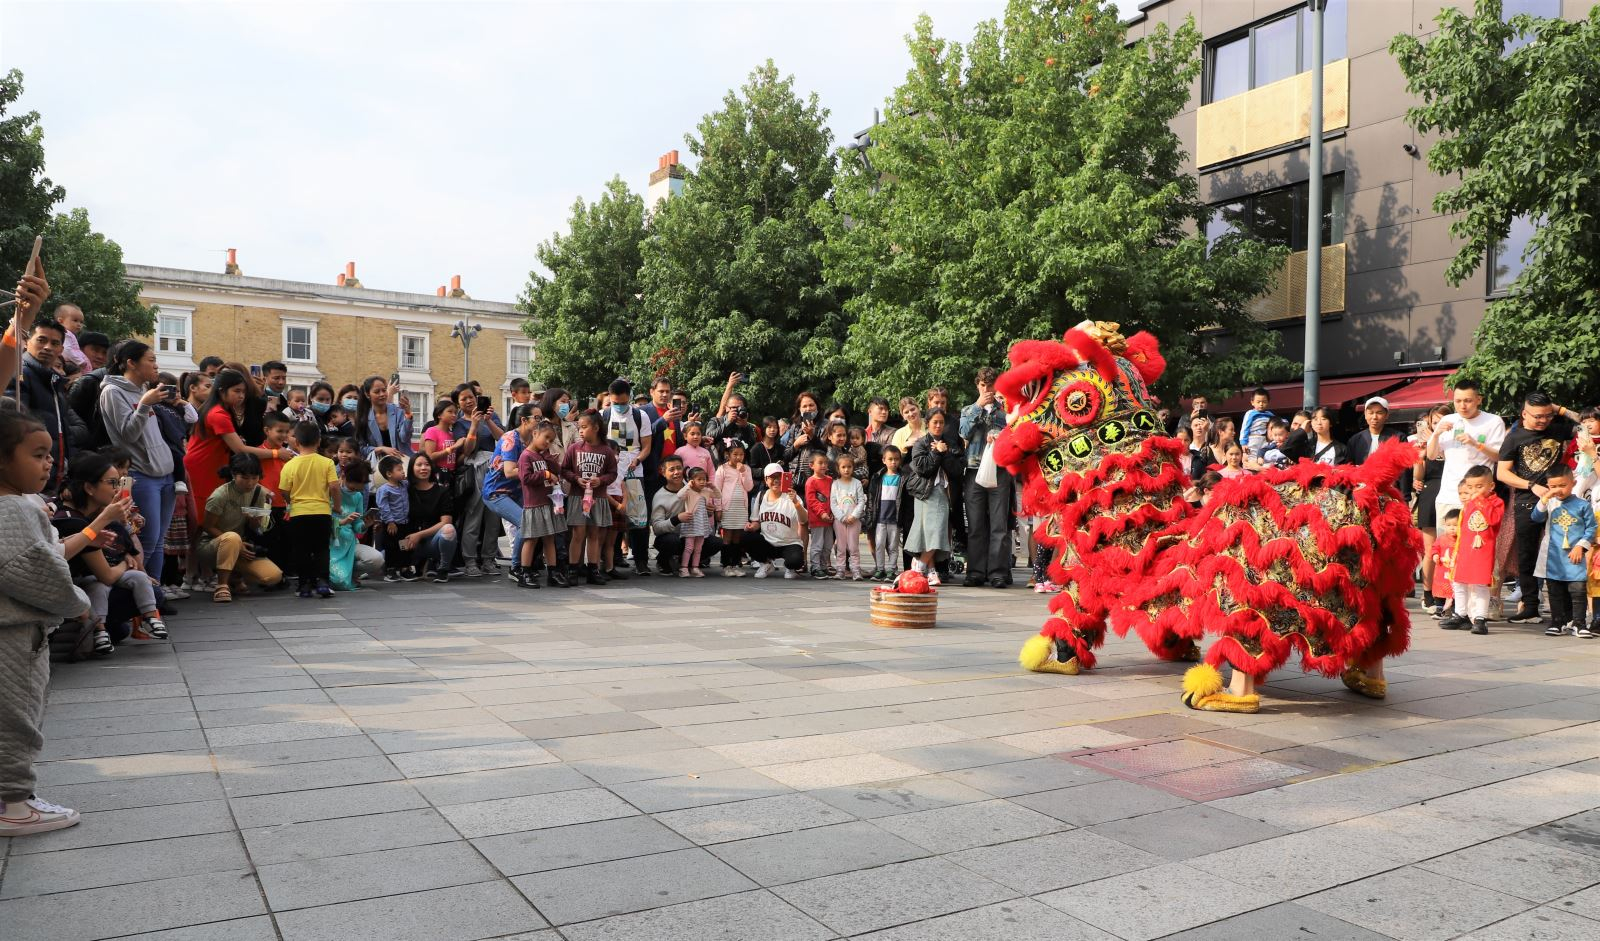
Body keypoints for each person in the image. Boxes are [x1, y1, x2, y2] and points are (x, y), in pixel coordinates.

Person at [0, 409, 95, 837]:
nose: (48, 463)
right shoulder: (14, 510)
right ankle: (14, 803)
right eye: (37, 454)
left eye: (50, 454)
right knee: (16, 716)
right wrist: (76, 602)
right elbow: (38, 572)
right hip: (15, 635)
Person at [57, 453, 169, 647]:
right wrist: (126, 563)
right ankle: (89, 628)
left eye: (120, 482)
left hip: (87, 589)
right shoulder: (74, 521)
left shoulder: (92, 512)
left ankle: (103, 628)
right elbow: (107, 576)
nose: (118, 489)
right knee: (153, 593)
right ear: (89, 488)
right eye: (112, 483)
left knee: (121, 630)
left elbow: (130, 550)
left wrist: (123, 523)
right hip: (76, 594)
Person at [99, 340, 179, 582]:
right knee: (147, 538)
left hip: (165, 473)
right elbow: (128, 434)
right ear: (131, 363)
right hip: (141, 474)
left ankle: (155, 591)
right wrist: (144, 404)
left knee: (160, 538)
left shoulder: (144, 389)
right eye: (151, 360)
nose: (156, 366)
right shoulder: (112, 392)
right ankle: (143, 591)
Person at [1497, 392, 1575, 623]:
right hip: (1527, 501)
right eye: (1537, 416)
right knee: (1527, 555)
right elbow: (1502, 473)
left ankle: (1566, 612)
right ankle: (1530, 606)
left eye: (1547, 415)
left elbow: (1586, 421)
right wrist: (1532, 486)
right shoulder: (1514, 437)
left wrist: (1559, 409)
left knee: (1561, 551)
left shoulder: (1558, 429)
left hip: (1560, 501)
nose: (1543, 420)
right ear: (1524, 414)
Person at [185, 369, 293, 509]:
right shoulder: (218, 414)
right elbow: (240, 449)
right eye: (237, 391)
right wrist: (277, 453)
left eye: (243, 392)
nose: (241, 396)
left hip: (210, 466)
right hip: (202, 468)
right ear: (221, 391)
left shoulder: (221, 410)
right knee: (204, 515)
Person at [8, 318, 85, 495]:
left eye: (54, 343)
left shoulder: (55, 382)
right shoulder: (18, 374)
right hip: (26, 480)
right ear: (27, 341)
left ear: (61, 350)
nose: (48, 347)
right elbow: (14, 428)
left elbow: (64, 432)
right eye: (41, 340)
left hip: (52, 479)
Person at [199, 453, 284, 602]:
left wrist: (255, 521)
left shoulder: (259, 492)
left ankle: (235, 576)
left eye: (254, 478)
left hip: (242, 545)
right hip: (212, 545)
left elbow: (257, 529)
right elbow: (207, 527)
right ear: (233, 474)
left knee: (272, 576)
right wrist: (237, 544)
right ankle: (222, 586)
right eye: (244, 478)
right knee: (232, 538)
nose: (250, 483)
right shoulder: (220, 495)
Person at [1428, 380, 1507, 539]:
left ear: (1479, 399)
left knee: (1475, 546)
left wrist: (1476, 444)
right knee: (1446, 547)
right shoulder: (1447, 420)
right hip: (1448, 495)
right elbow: (1431, 455)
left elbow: (1499, 456)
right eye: (1458, 401)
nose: (1462, 406)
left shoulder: (1493, 421)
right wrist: (1436, 434)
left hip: (1478, 497)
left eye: (1468, 401)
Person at [960, 366, 1013, 588]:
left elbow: (1015, 438)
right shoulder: (968, 410)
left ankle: (998, 572)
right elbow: (963, 432)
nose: (986, 390)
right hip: (974, 470)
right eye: (983, 385)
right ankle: (975, 572)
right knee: (975, 525)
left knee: (999, 525)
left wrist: (1000, 437)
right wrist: (978, 407)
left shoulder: (1006, 411)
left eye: (990, 386)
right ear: (977, 386)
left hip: (1000, 471)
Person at [277, 421, 338, 598]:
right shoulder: (327, 463)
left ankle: (304, 586)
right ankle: (323, 582)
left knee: (301, 549)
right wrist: (337, 505)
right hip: (322, 512)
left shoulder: (289, 465)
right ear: (319, 441)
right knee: (321, 548)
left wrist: (291, 502)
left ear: (296, 442)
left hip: (298, 513)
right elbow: (334, 487)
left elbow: (284, 490)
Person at [1531, 466, 1593, 636]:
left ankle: (1579, 623)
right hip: (1554, 555)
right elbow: (1535, 517)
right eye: (1553, 486)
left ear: (1573, 483)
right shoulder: (1549, 503)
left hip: (1574, 555)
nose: (1558, 490)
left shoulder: (1582, 504)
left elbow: (1591, 527)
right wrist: (1544, 499)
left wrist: (1580, 546)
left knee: (1578, 589)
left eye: (1562, 485)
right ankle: (1557, 622)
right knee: (1555, 589)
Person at [451, 384, 504, 577]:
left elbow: (503, 439)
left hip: (494, 468)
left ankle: (489, 559)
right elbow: (467, 450)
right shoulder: (459, 424)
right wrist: (473, 425)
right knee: (474, 516)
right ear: (458, 404)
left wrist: (488, 421)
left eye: (471, 397)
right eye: (463, 399)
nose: (468, 401)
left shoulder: (492, 417)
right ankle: (470, 560)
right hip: (474, 469)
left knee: (493, 517)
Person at [1443, 466, 1504, 635]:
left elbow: (1493, 519)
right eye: (1470, 487)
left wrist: (1481, 501)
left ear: (1491, 486)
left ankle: (1480, 618)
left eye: (1479, 486)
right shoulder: (1468, 504)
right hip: (1465, 550)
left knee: (1480, 585)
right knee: (1459, 582)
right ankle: (1460, 614)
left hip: (1483, 551)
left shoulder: (1496, 502)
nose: (1474, 491)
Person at [602, 379, 653, 575]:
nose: (620, 406)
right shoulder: (604, 415)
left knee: (639, 519)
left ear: (630, 398)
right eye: (616, 403)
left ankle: (641, 560)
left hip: (634, 473)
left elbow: (646, 446)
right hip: (612, 476)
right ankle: (613, 559)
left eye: (624, 402)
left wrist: (637, 460)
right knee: (612, 518)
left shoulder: (641, 416)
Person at [562, 409, 618, 585]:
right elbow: (564, 470)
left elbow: (613, 473)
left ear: (595, 427)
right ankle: (573, 569)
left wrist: (600, 481)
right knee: (577, 534)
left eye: (584, 427)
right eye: (579, 427)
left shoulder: (606, 451)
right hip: (577, 497)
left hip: (598, 498)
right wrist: (575, 479)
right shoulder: (574, 449)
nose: (580, 431)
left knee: (594, 534)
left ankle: (593, 569)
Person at [906, 409, 961, 586]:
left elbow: (957, 469)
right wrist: (936, 452)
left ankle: (920, 566)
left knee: (937, 531)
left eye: (941, 422)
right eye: (935, 422)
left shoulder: (950, 443)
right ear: (927, 423)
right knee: (926, 533)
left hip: (942, 492)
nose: (938, 425)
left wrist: (943, 452)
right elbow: (922, 469)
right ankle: (929, 570)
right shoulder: (920, 443)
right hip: (924, 492)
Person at [484, 403, 539, 580]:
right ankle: (516, 567)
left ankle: (527, 565)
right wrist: (539, 471)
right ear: (524, 420)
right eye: (537, 418)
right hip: (497, 493)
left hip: (516, 491)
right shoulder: (510, 439)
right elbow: (509, 471)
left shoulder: (531, 439)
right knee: (526, 522)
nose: (540, 422)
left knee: (533, 522)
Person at [515, 420, 567, 589]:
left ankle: (553, 572)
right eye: (546, 438)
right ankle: (525, 572)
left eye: (551, 440)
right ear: (535, 433)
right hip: (534, 504)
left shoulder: (542, 455)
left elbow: (557, 470)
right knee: (531, 539)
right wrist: (545, 474)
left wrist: (549, 459)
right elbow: (526, 478)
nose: (548, 442)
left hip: (547, 502)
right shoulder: (526, 456)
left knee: (549, 539)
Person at [1413, 404, 1450, 614]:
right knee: (1430, 549)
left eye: (1442, 421)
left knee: (1451, 547)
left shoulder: (1456, 440)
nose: (1438, 425)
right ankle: (1428, 593)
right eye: (1434, 422)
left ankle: (1447, 593)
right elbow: (1418, 476)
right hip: (1431, 492)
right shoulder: (1426, 442)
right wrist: (1419, 456)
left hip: (1453, 491)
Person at [402, 451, 457, 583]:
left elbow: (446, 522)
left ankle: (443, 569)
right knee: (381, 557)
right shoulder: (404, 490)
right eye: (419, 465)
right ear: (411, 468)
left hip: (432, 542)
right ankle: (400, 567)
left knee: (449, 529)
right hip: (408, 541)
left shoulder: (442, 491)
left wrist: (419, 535)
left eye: (427, 464)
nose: (423, 468)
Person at [745, 463, 806, 578]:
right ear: (766, 480)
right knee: (745, 536)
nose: (776, 480)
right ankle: (766, 563)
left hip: (789, 543)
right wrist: (751, 527)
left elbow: (804, 520)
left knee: (795, 561)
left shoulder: (792, 496)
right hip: (768, 543)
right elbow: (756, 522)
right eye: (772, 477)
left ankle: (790, 567)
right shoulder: (761, 495)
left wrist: (796, 503)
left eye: (779, 477)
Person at [329, 459, 382, 591]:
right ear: (343, 476)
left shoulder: (357, 496)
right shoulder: (330, 491)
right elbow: (322, 521)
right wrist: (342, 522)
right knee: (338, 581)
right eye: (352, 488)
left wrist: (365, 525)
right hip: (331, 543)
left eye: (359, 489)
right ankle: (342, 573)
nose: (354, 491)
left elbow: (357, 525)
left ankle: (351, 573)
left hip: (350, 542)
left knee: (377, 559)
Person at [865, 445, 904, 582]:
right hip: (880, 518)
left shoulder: (902, 477)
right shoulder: (878, 477)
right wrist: (870, 516)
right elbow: (871, 498)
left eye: (896, 459)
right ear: (884, 460)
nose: (893, 462)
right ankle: (880, 569)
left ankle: (892, 570)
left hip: (895, 519)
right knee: (879, 544)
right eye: (890, 459)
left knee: (893, 546)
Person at [714, 442, 753, 576]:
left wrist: (743, 472)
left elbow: (749, 487)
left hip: (741, 508)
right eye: (735, 454)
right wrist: (718, 508)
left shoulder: (746, 469)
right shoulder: (722, 469)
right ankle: (726, 565)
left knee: (737, 537)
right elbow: (716, 490)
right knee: (727, 536)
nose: (738, 457)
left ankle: (736, 564)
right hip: (728, 508)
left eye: (741, 454)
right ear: (728, 454)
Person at [354, 374, 413, 461]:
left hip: (402, 461)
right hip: (378, 464)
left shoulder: (398, 411)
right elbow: (361, 448)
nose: (382, 394)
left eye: (384, 390)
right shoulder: (363, 418)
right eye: (377, 392)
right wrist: (381, 449)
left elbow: (404, 438)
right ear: (367, 394)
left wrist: (408, 414)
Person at [675, 467, 717, 577]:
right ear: (692, 481)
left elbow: (718, 495)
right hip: (691, 524)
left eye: (704, 479)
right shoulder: (688, 491)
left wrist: (713, 486)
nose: (702, 482)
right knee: (689, 548)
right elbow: (679, 495)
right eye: (699, 479)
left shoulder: (706, 491)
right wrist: (688, 485)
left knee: (698, 549)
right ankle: (683, 568)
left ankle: (695, 568)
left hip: (702, 524)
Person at [376, 456, 414, 581]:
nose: (403, 471)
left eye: (402, 469)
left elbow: (412, 481)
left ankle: (404, 568)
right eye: (399, 469)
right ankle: (390, 569)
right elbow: (383, 506)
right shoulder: (384, 489)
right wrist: (390, 521)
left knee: (404, 546)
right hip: (392, 524)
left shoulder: (404, 485)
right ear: (389, 474)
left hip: (404, 523)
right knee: (391, 547)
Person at [831, 453, 866, 580]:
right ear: (838, 469)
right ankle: (840, 570)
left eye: (849, 467)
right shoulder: (835, 484)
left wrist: (854, 516)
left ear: (853, 468)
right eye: (843, 467)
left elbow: (861, 501)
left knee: (853, 546)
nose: (846, 470)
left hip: (854, 521)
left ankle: (856, 570)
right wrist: (842, 517)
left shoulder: (857, 483)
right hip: (840, 521)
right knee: (841, 546)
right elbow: (833, 503)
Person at [803, 452, 835, 578]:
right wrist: (822, 513)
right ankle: (815, 567)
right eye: (820, 463)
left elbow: (834, 498)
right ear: (811, 465)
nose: (824, 465)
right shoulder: (811, 482)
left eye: (825, 463)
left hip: (829, 519)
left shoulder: (830, 480)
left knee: (828, 545)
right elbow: (811, 501)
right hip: (817, 519)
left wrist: (832, 513)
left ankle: (823, 565)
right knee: (817, 544)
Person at [1347, 397, 1401, 465]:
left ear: (1387, 415)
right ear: (1365, 415)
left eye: (1379, 413)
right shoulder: (1355, 440)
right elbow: (1349, 466)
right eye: (1371, 413)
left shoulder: (1398, 437)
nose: (1374, 417)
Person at [1432, 510, 1459, 621]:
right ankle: (1439, 608)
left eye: (1455, 525)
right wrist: (1435, 555)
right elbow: (1435, 548)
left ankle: (1455, 609)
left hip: (1455, 571)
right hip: (1442, 570)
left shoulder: (1461, 540)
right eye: (1448, 525)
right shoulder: (1441, 538)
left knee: (1455, 591)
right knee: (1439, 589)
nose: (1452, 528)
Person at [1240, 388, 1275, 456]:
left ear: (1268, 402)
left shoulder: (1270, 415)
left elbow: (1277, 424)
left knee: (1265, 457)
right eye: (1258, 402)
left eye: (1264, 402)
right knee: (1252, 457)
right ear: (1252, 402)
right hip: (1253, 439)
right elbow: (1245, 428)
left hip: (1266, 440)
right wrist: (1243, 443)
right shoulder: (1250, 413)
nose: (1261, 404)